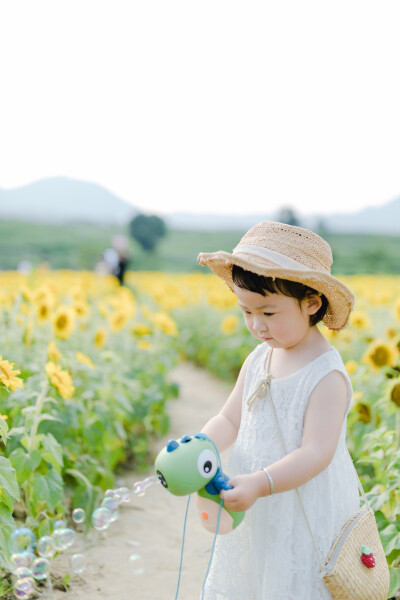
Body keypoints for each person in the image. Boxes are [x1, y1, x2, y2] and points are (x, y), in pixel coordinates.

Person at [196, 221, 360, 600]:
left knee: (292, 580)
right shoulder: (259, 359)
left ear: (311, 303)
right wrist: (202, 442)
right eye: (246, 312)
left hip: (302, 508)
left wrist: (260, 482)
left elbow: (316, 453)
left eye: (269, 314)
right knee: (256, 577)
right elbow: (230, 419)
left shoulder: (325, 374)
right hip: (255, 500)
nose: (256, 325)